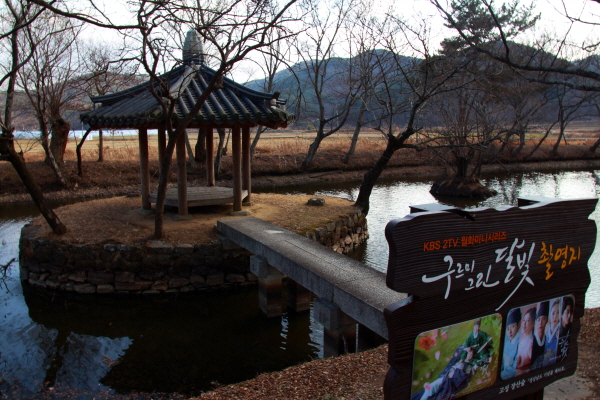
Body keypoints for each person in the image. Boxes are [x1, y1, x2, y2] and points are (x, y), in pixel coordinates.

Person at [414, 319, 494, 400]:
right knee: (430, 390)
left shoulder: (470, 366)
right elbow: (461, 352)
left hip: (450, 382)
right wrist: (465, 352)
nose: (476, 329)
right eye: (475, 327)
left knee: (431, 391)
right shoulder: (463, 356)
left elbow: (463, 377)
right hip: (446, 380)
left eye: (477, 327)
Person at [501, 308, 521, 380]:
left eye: (512, 326)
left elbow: (514, 369)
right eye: (507, 328)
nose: (509, 332)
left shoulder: (520, 343)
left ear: (519, 324)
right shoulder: (506, 337)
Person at [516, 307, 536, 375]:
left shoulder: (532, 343)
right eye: (523, 320)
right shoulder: (521, 341)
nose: (524, 324)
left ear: (533, 324)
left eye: (527, 321)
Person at [531, 301, 549, 369]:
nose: (540, 323)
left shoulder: (547, 339)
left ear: (547, 320)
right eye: (538, 320)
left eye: (543, 319)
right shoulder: (532, 340)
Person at [544, 299, 561, 367]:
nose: (555, 316)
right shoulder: (547, 328)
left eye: (558, 313)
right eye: (553, 313)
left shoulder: (560, 329)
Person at [557, 296, 574, 361]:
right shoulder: (557, 330)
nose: (569, 316)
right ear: (562, 313)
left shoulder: (572, 328)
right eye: (567, 312)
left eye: (571, 312)